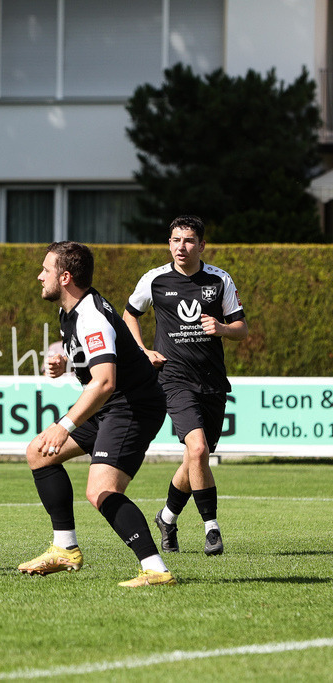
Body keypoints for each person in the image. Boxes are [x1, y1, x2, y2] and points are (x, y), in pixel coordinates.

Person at [20, 241, 174, 587]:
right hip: (112, 404)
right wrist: (67, 361)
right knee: (39, 454)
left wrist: (65, 425)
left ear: (65, 277)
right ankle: (64, 549)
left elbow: (104, 383)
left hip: (131, 406)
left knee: (100, 490)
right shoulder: (70, 310)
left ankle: (155, 569)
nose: (39, 276)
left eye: (46, 269)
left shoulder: (91, 316)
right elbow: (98, 361)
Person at [123, 215, 247, 557]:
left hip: (212, 382)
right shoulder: (155, 279)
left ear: (202, 245)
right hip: (174, 380)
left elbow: (242, 328)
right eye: (176, 240)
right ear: (169, 244)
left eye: (189, 240)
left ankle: (166, 517)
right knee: (197, 451)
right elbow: (129, 313)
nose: (181, 246)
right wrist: (142, 350)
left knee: (194, 460)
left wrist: (222, 329)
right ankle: (212, 529)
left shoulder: (219, 280)